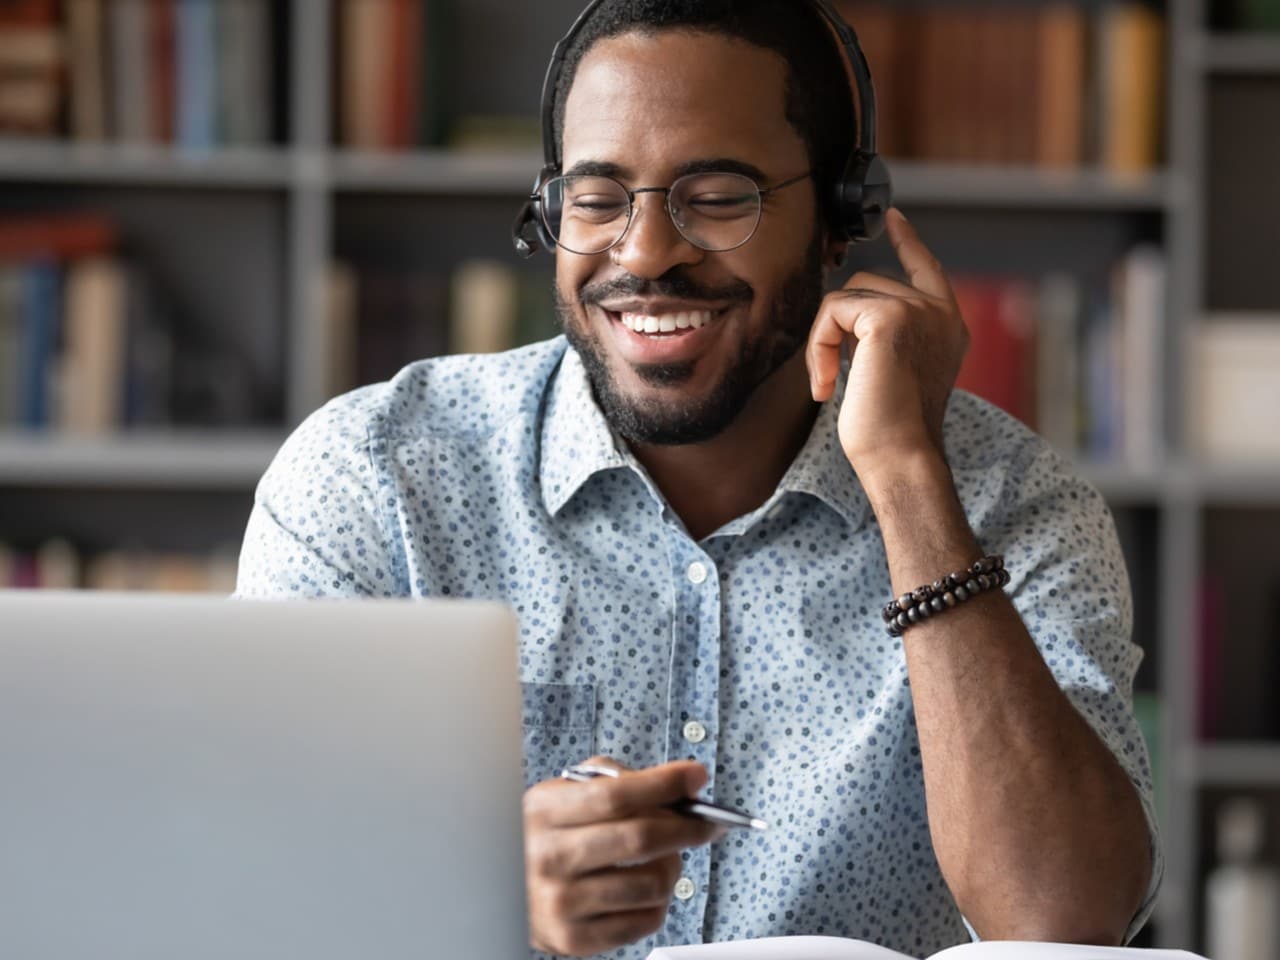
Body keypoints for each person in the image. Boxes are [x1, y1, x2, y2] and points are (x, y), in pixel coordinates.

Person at [235, 2, 1162, 957]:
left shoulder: (1014, 500)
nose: (644, 254)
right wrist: (472, 889)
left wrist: (909, 481)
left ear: (843, 223)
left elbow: (1067, 922)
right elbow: (240, 880)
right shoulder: (374, 478)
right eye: (597, 199)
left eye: (718, 196)